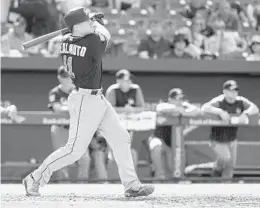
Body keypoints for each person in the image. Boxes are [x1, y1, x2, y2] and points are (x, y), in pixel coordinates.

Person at [22, 7, 154, 198]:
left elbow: (83, 35)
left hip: (96, 98)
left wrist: (88, 22)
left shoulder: (66, 40)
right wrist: (97, 24)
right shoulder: (91, 41)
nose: (92, 22)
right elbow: (105, 35)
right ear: (76, 26)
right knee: (73, 151)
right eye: (87, 21)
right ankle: (34, 178)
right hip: (85, 100)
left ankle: (131, 184)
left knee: (121, 138)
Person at [201, 80, 259, 179]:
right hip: (217, 138)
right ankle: (216, 171)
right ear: (225, 91)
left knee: (231, 164)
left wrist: (245, 113)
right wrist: (219, 111)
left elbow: (255, 108)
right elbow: (204, 108)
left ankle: (226, 186)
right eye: (231, 90)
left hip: (232, 138)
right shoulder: (219, 101)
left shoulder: (240, 101)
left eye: (236, 90)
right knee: (225, 158)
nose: (234, 93)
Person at [48, 66, 90, 181]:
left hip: (77, 128)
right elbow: (57, 109)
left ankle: (83, 184)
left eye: (69, 77)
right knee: (60, 157)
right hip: (60, 128)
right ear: (59, 78)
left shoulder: (78, 90)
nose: (67, 80)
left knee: (84, 157)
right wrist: (72, 108)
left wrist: (68, 108)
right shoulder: (55, 92)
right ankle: (63, 185)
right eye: (64, 77)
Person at [148, 88, 200, 179]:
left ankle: (179, 178)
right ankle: (159, 175)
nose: (180, 101)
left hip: (174, 142)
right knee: (156, 145)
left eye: (181, 98)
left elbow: (196, 110)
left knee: (175, 169)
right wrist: (180, 110)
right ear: (170, 99)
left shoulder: (184, 106)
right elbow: (160, 108)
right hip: (160, 138)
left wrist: (183, 109)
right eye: (177, 98)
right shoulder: (164, 105)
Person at [105, 69, 146, 169]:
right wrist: (125, 109)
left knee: (129, 152)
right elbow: (108, 109)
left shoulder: (136, 89)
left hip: (130, 126)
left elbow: (142, 108)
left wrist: (132, 110)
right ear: (118, 81)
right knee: (113, 152)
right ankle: (112, 178)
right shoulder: (113, 90)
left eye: (128, 80)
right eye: (124, 80)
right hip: (113, 126)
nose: (127, 82)